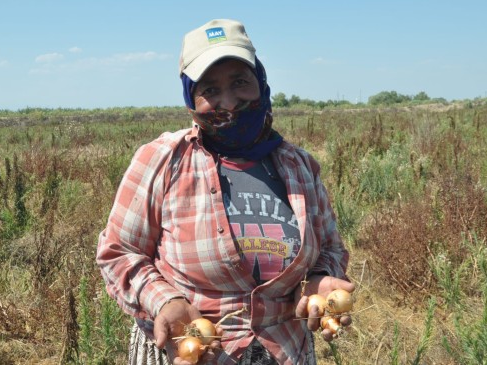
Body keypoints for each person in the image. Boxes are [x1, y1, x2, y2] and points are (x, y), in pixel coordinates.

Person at [96, 18, 354, 365]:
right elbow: (119, 252)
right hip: (190, 353)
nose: (229, 103)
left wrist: (320, 279)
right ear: (190, 95)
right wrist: (165, 301)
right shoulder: (162, 160)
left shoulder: (299, 166)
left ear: (260, 82)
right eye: (210, 90)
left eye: (239, 82)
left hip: (286, 351)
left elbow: (330, 247)